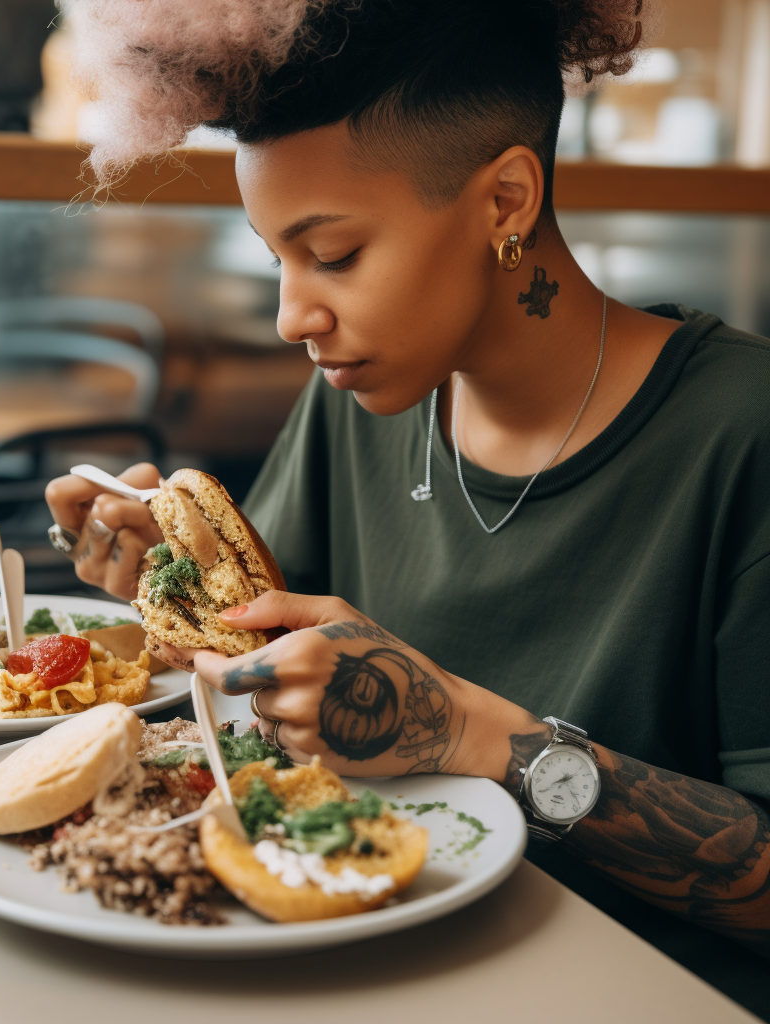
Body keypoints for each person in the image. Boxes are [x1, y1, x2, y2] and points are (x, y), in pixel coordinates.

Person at [46, 1, 770, 1014]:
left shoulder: (742, 433)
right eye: (276, 258)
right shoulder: (363, 396)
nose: (294, 314)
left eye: (333, 253)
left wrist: (479, 737)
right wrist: (173, 579)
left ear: (505, 199)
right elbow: (277, 674)